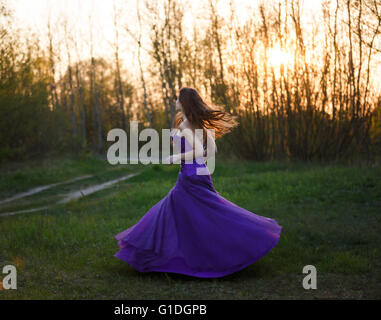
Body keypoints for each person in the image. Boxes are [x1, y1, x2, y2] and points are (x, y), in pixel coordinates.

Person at [113, 87, 282, 278]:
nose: (175, 101)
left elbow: (201, 152)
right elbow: (212, 151)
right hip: (201, 173)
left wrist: (177, 157)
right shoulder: (199, 123)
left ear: (183, 102)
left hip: (191, 174)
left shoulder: (186, 125)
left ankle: (153, 255)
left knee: (181, 213)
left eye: (177, 98)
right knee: (201, 214)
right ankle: (197, 254)